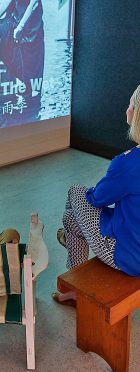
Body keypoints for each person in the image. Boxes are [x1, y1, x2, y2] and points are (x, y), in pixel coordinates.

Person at [53, 86, 140, 305]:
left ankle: (75, 285)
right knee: (74, 222)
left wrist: (94, 191)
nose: (126, 108)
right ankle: (72, 239)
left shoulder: (127, 163)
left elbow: (97, 198)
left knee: (77, 193)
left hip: (129, 257)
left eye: (130, 104)